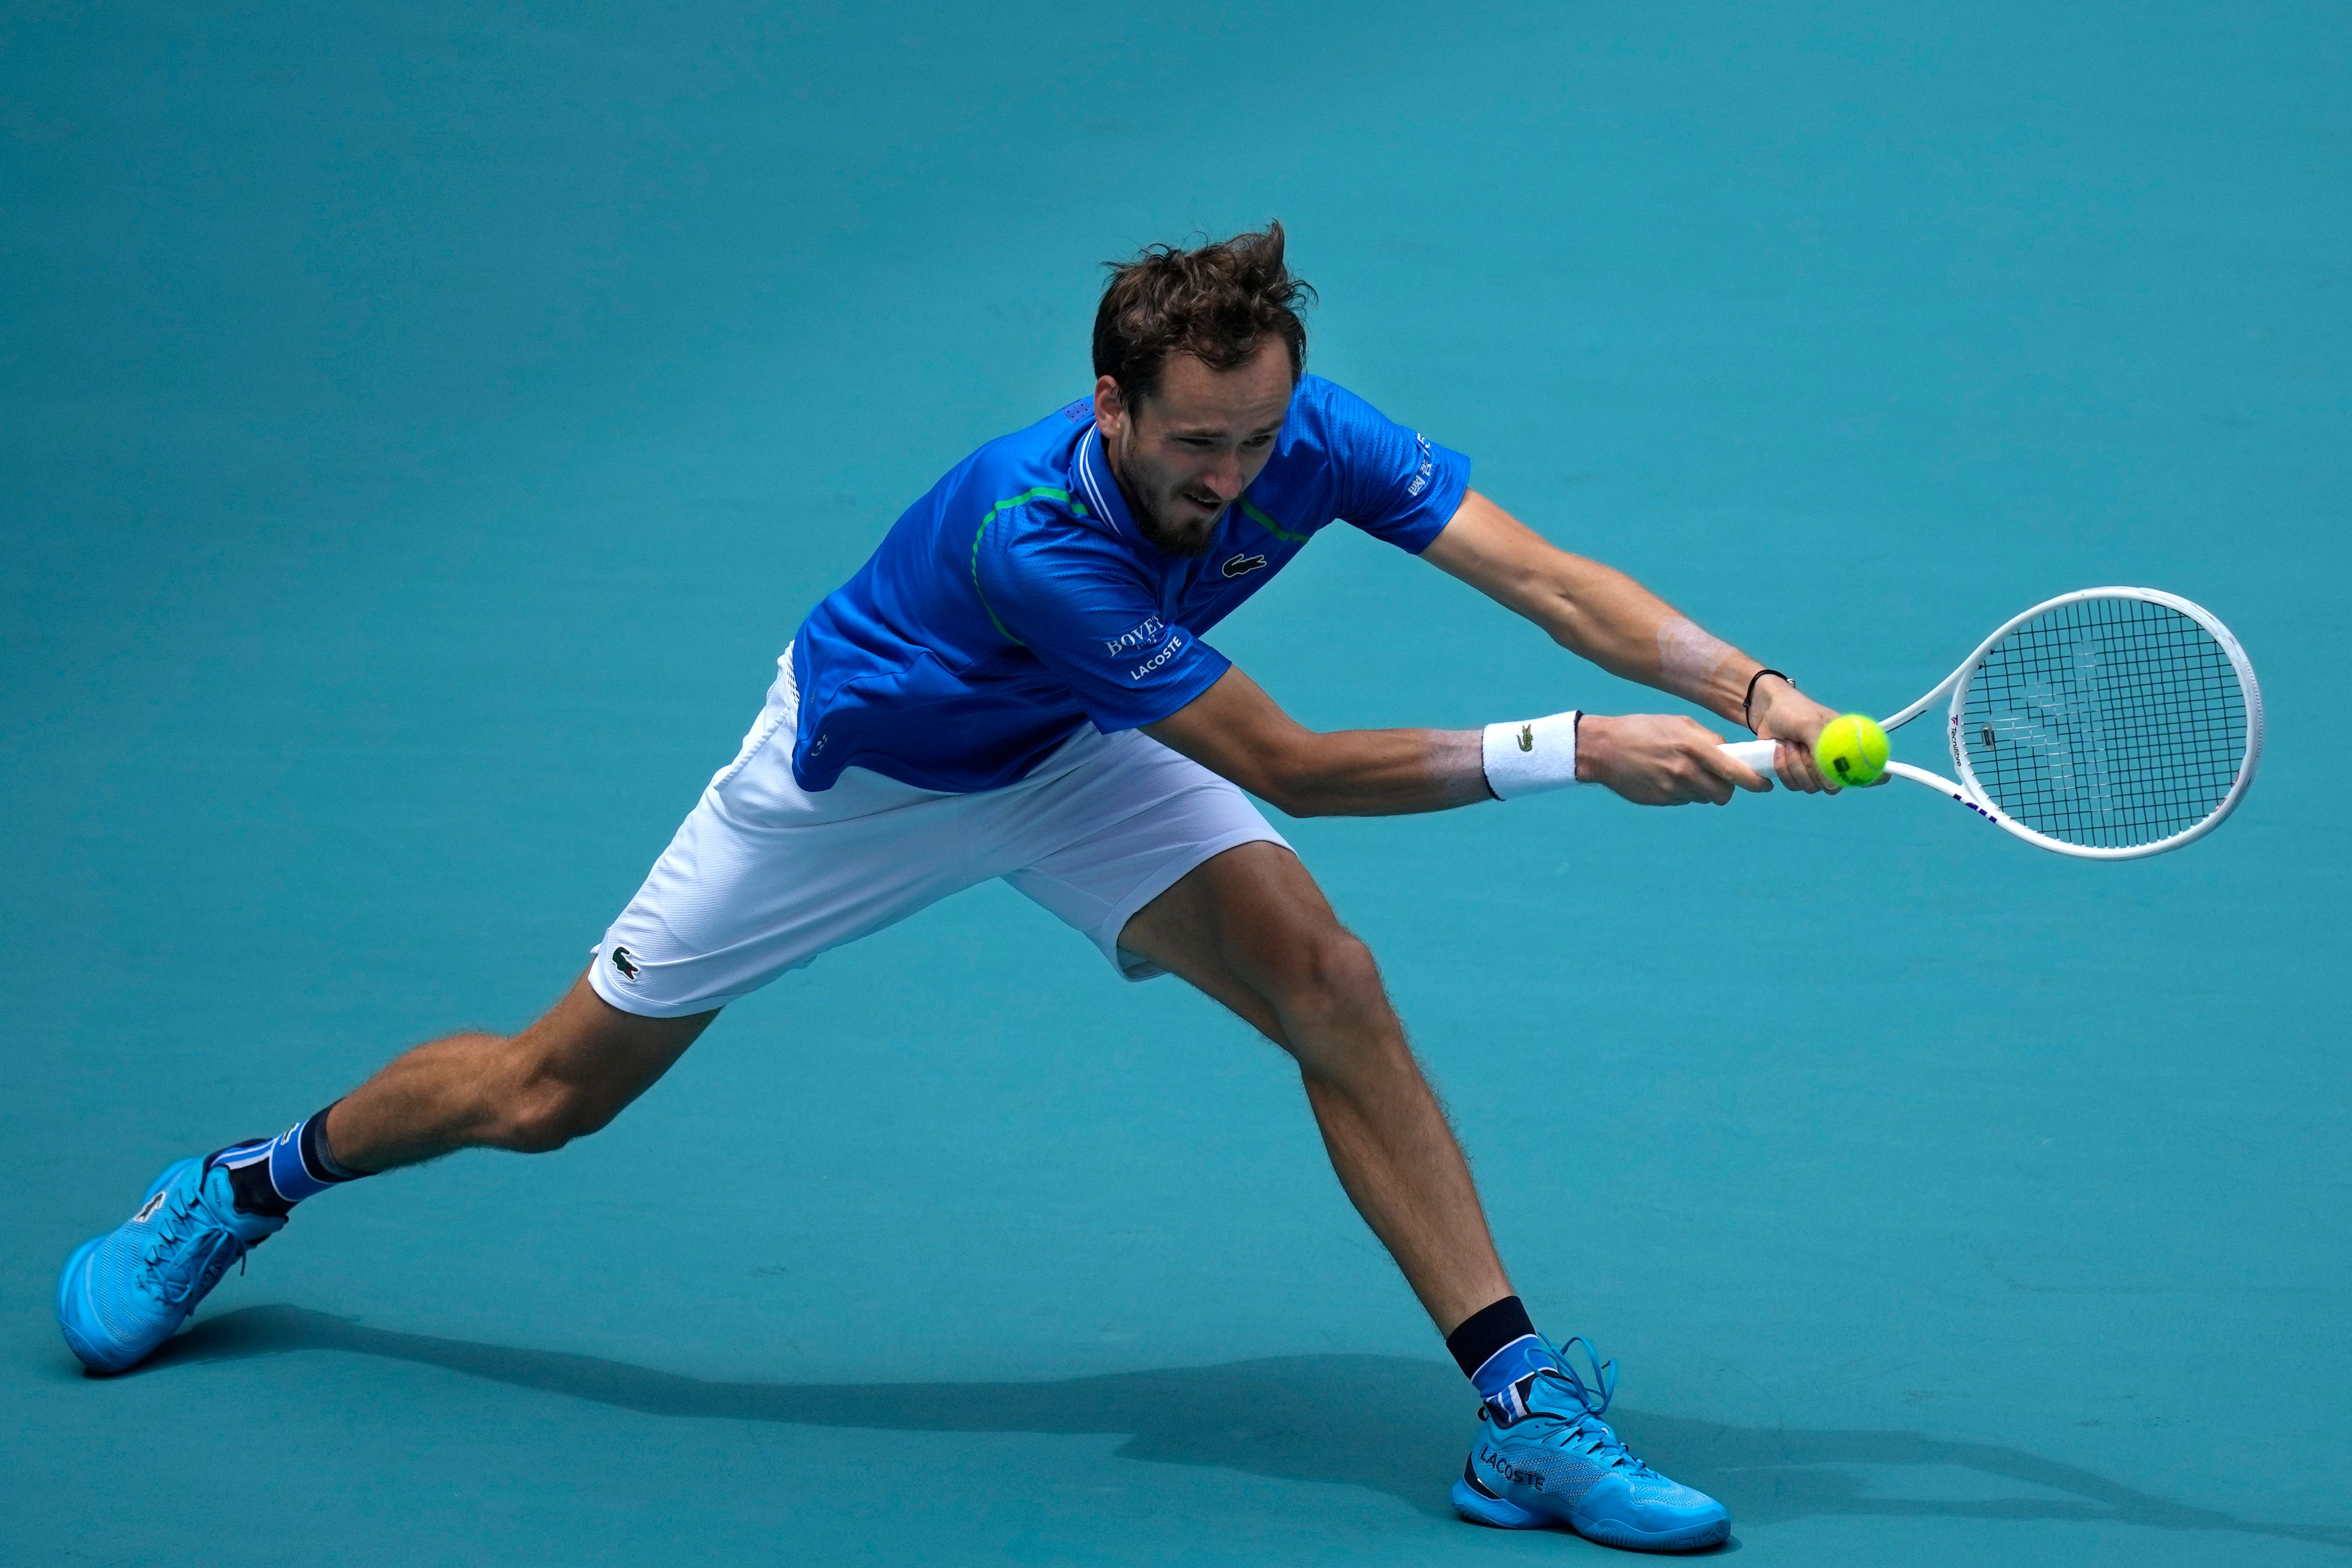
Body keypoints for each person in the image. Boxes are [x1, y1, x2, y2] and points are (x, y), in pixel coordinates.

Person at [57, 223, 1842, 1553]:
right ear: (1112, 405)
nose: (1234, 484)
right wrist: (1576, 751)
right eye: (1196, 448)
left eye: (1259, 441)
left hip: (1075, 749)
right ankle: (243, 1184)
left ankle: (1517, 1408)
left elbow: (1547, 580)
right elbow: (1289, 764)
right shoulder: (1034, 531)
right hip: (856, 789)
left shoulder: (1310, 437)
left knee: (1331, 982)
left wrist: (1753, 691)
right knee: (544, 1098)